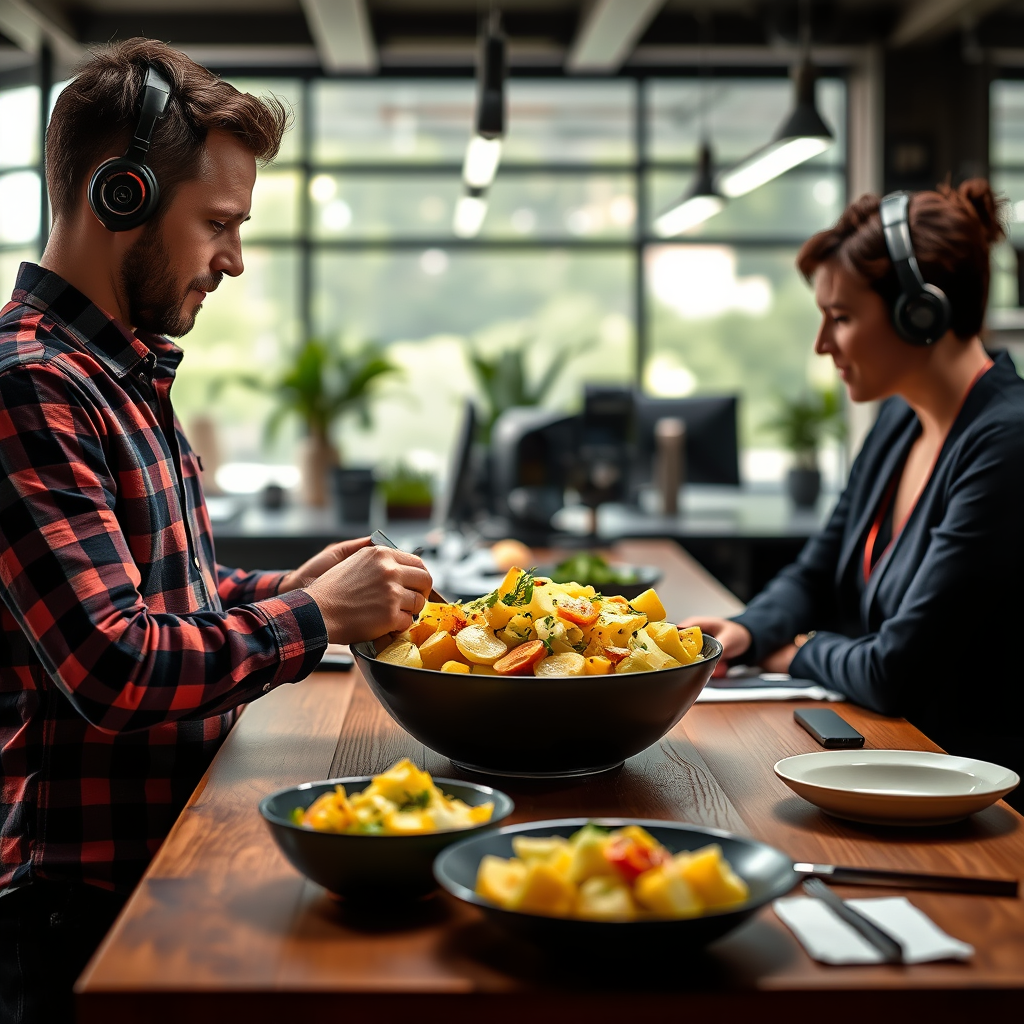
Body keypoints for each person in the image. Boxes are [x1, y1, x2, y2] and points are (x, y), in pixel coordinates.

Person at [0, 39, 432, 1023]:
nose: (233, 259)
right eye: (219, 224)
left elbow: (155, 592)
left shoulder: (117, 373)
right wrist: (313, 620)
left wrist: (290, 590)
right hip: (76, 907)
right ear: (122, 197)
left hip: (160, 861)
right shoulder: (30, 388)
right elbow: (113, 664)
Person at [684, 180, 1024, 805]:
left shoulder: (1007, 443)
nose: (822, 344)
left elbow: (895, 672)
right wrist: (747, 630)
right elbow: (818, 568)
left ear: (921, 314)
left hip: (975, 797)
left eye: (840, 318)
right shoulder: (901, 420)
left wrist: (801, 651)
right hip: (900, 763)